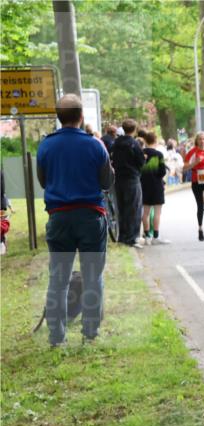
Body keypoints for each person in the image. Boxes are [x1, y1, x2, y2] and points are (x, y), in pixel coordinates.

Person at [36, 94, 113, 346]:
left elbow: (43, 181)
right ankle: (90, 332)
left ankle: (56, 336)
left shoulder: (46, 145)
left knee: (58, 279)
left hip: (59, 217)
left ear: (59, 117)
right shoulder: (95, 145)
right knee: (92, 276)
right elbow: (107, 182)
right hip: (90, 216)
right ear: (82, 116)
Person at [110, 118, 146, 247]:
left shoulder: (116, 143)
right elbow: (141, 162)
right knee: (134, 208)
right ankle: (132, 237)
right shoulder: (134, 144)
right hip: (132, 178)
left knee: (121, 208)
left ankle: (122, 235)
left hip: (119, 179)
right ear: (135, 129)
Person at [139, 130, 169, 244]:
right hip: (156, 185)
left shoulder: (141, 153)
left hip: (144, 185)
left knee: (145, 213)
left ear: (145, 140)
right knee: (157, 212)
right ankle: (156, 236)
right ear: (155, 141)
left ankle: (147, 236)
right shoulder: (159, 155)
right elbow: (162, 171)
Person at [184, 132, 204, 241]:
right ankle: (200, 229)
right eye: (200, 139)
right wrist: (195, 163)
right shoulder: (192, 152)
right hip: (196, 180)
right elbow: (184, 168)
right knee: (200, 205)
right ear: (197, 140)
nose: (202, 141)